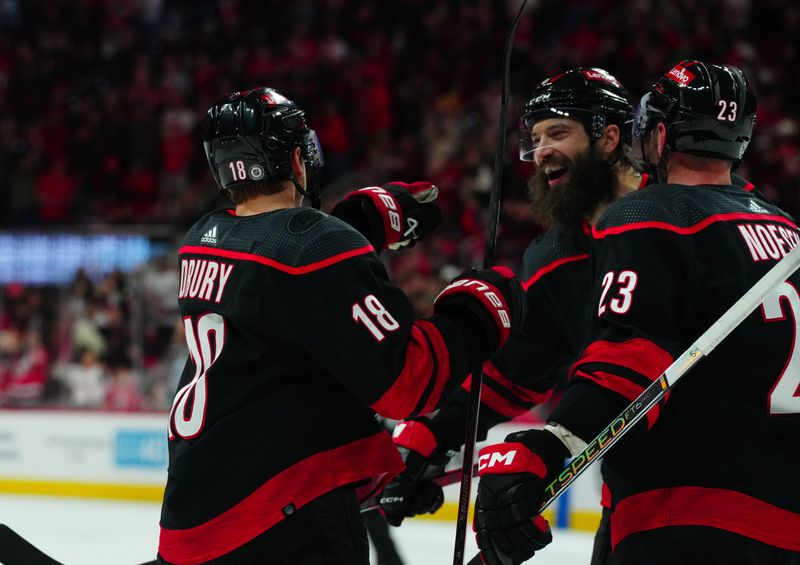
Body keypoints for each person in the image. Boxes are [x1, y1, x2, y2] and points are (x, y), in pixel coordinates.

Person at [155, 87, 527, 565]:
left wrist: (358, 225)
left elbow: (280, 282)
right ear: (296, 155)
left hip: (193, 518)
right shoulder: (317, 247)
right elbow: (405, 385)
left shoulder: (201, 238)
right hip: (282, 521)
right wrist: (476, 315)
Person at [473, 61, 800, 565]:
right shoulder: (785, 228)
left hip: (686, 517)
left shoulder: (655, 212)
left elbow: (629, 358)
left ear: (660, 131)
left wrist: (548, 448)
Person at [379, 67, 644, 565]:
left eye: (558, 132)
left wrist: (551, 444)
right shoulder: (559, 252)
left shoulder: (674, 218)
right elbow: (523, 366)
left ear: (609, 137)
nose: (541, 150)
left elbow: (642, 357)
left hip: (723, 485)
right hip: (635, 500)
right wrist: (434, 432)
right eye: (536, 137)